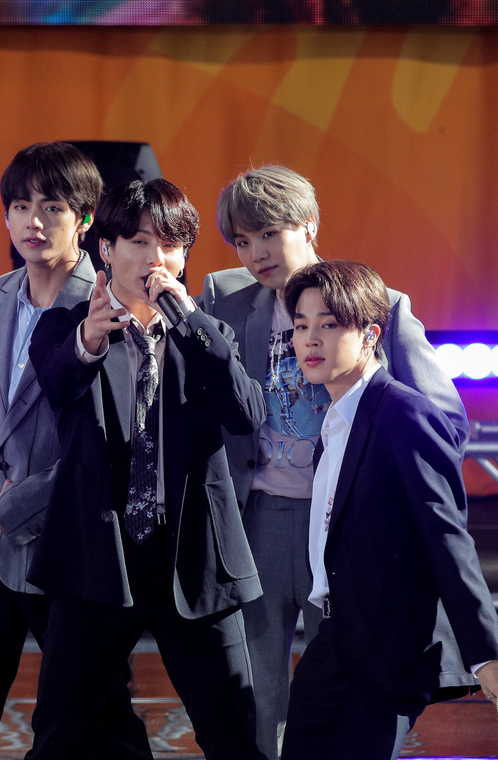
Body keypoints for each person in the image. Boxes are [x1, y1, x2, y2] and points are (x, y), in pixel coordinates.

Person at [197, 164, 468, 759]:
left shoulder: (379, 305)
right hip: (259, 518)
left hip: (346, 529)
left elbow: (446, 422)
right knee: (256, 693)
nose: (256, 253)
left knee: (347, 685)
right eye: (242, 240)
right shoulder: (224, 301)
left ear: (310, 226)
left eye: (269, 234)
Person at [24, 178, 267, 760]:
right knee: (62, 732)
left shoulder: (207, 335)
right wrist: (89, 338)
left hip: (194, 556)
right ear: (106, 250)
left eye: (171, 244)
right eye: (138, 241)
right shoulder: (66, 327)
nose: (156, 257)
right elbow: (59, 381)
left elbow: (246, 415)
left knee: (234, 733)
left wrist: (191, 322)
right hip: (98, 556)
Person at [0, 141, 151, 755]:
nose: (33, 221)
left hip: (68, 540)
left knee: (88, 717)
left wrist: (25, 499)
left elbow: (124, 441)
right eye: (20, 206)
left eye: (53, 207)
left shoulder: (112, 306)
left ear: (85, 220)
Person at [279, 260, 498, 760]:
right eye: (301, 327)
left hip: (389, 651)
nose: (310, 340)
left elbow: (447, 539)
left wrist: (487, 653)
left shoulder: (406, 413)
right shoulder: (335, 420)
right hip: (331, 643)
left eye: (329, 324)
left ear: (370, 335)